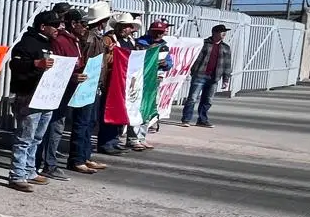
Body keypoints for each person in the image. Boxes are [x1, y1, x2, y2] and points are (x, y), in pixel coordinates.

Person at [7, 10, 60, 192]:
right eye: (54, 25)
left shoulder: (49, 43)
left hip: (46, 97)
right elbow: (14, 64)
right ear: (43, 26)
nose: (58, 28)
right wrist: (35, 64)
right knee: (24, 138)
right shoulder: (26, 43)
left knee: (37, 138)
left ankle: (30, 170)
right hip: (28, 95)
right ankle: (17, 175)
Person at [35, 3, 82, 183]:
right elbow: (58, 66)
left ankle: (46, 163)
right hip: (55, 90)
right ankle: (45, 164)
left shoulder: (71, 39)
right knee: (50, 127)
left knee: (56, 126)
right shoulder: (59, 40)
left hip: (65, 88)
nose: (59, 24)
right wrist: (72, 76)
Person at [67, 3, 112, 174]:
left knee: (89, 122)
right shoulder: (89, 38)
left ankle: (85, 155)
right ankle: (77, 158)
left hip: (93, 84)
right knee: (82, 123)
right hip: (87, 85)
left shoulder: (95, 38)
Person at [127, 19, 175, 148]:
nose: (159, 34)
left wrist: (166, 64)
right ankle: (133, 138)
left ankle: (142, 137)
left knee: (148, 109)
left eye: (161, 32)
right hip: (140, 80)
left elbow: (170, 62)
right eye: (156, 32)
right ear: (150, 31)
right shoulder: (140, 43)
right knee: (136, 108)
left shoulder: (164, 46)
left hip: (155, 81)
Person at [97, 13, 139, 156]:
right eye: (122, 26)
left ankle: (114, 140)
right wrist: (110, 53)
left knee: (119, 111)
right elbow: (103, 59)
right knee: (109, 111)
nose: (124, 29)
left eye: (127, 26)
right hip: (111, 81)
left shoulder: (130, 41)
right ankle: (106, 143)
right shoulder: (108, 39)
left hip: (123, 81)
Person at [182, 24, 232, 128]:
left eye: (225, 32)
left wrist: (226, 79)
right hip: (200, 74)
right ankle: (186, 119)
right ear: (214, 33)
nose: (224, 33)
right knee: (192, 98)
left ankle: (202, 120)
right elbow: (194, 58)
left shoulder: (225, 47)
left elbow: (227, 64)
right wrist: (193, 71)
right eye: (221, 31)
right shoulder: (204, 44)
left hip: (214, 77)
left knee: (208, 100)